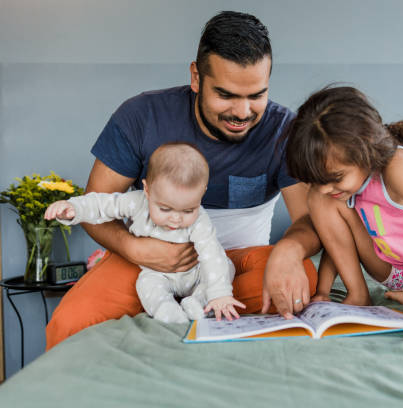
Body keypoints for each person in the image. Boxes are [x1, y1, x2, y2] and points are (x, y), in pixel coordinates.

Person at [45, 11, 321, 349]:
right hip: (148, 260)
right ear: (196, 77)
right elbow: (98, 202)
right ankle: (175, 307)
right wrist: (136, 248)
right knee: (69, 322)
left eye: (256, 95)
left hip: (237, 262)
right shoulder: (141, 117)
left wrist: (288, 253)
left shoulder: (284, 130)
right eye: (226, 95)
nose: (243, 112)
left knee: (304, 274)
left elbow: (310, 219)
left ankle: (196, 308)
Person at [284, 86, 403, 344]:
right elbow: (335, 237)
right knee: (318, 199)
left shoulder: (399, 168)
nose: (324, 188)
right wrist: (323, 290)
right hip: (388, 266)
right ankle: (358, 294)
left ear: (364, 152)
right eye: (317, 181)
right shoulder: (338, 186)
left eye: (334, 179)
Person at [45, 143, 245, 323]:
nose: (176, 219)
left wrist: (220, 294)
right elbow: (102, 204)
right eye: (165, 209)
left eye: (187, 210)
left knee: (225, 266)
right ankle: (168, 312)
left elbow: (211, 254)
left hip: (195, 272)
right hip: (157, 273)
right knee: (147, 285)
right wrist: (74, 209)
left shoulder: (200, 219)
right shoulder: (137, 202)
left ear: (202, 193)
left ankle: (199, 303)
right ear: (147, 190)